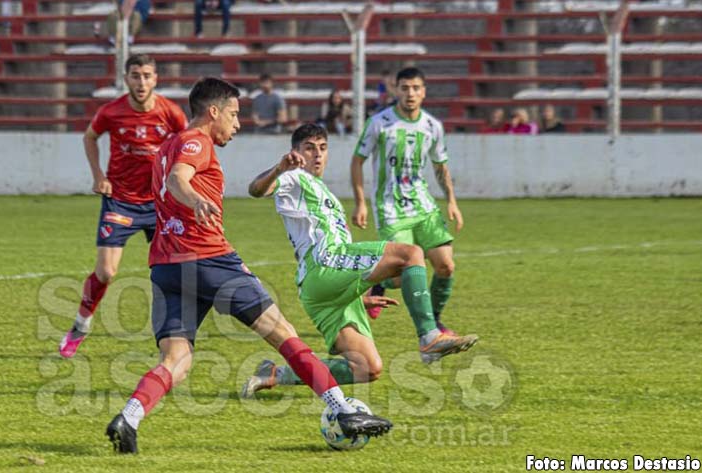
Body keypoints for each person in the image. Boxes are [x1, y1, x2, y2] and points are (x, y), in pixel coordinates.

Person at [104, 78, 393, 454]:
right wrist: (195, 201)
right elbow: (179, 179)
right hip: (208, 259)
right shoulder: (196, 141)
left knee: (177, 359)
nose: (237, 124)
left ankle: (129, 416)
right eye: (234, 114)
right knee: (283, 332)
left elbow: (171, 177)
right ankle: (342, 411)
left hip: (166, 266)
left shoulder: (165, 147)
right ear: (213, 112)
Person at [241, 124, 478, 398]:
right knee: (410, 253)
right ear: (295, 152)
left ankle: (276, 373)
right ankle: (429, 337)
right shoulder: (293, 177)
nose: (317, 154)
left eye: (322, 148)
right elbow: (256, 189)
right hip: (326, 262)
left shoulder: (323, 191)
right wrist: (279, 168)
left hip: (320, 289)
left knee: (367, 367)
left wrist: (359, 293)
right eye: (309, 148)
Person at [58, 54, 188, 359]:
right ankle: (81, 325)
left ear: (156, 78)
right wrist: (98, 175)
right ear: (126, 78)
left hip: (159, 203)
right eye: (135, 75)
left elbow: (187, 144)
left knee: (172, 272)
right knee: (105, 272)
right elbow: (90, 137)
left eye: (146, 75)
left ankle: (173, 340)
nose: (141, 82)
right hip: (121, 200)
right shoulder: (112, 111)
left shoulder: (171, 113)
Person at [351, 67, 463, 333]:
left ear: (423, 92)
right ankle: (377, 283)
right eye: (405, 88)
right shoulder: (379, 123)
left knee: (446, 266)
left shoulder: (432, 126)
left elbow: (440, 166)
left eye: (415, 88)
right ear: (396, 91)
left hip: (424, 207)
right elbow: (357, 161)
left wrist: (452, 201)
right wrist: (360, 202)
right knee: (407, 273)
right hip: (391, 209)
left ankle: (434, 319)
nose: (410, 93)